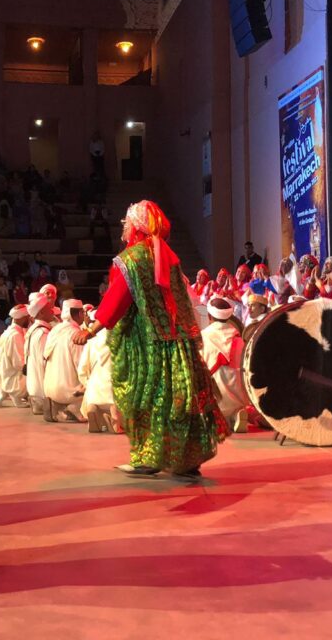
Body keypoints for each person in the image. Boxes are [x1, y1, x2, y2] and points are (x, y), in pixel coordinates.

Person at [74, 200, 229, 478]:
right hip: (178, 344)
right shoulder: (168, 256)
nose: (124, 228)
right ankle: (186, 460)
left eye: (127, 223)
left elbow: (117, 298)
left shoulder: (132, 258)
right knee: (179, 401)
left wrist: (91, 329)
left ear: (137, 226)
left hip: (148, 346)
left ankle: (149, 458)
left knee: (147, 399)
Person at [201, 298, 248, 433]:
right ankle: (237, 413)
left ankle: (221, 417)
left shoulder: (204, 335)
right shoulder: (238, 337)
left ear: (209, 316)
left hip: (218, 393)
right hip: (239, 393)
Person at [42, 298, 87, 422]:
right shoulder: (76, 334)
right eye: (83, 313)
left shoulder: (54, 331)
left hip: (48, 389)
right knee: (96, 386)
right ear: (79, 314)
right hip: (69, 392)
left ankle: (57, 405)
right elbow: (81, 365)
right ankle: (73, 408)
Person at [78, 308, 120, 433]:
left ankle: (93, 408)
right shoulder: (122, 339)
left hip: (94, 391)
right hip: (113, 392)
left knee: (92, 400)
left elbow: (82, 369)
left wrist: (87, 385)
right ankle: (115, 421)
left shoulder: (91, 341)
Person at [0, 304, 31, 407]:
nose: (29, 320)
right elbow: (18, 362)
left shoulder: (7, 332)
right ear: (21, 318)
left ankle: (3, 396)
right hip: (13, 374)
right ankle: (16, 396)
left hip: (4, 372)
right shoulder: (15, 335)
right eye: (27, 317)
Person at [25, 292, 55, 415]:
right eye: (49, 308)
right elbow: (45, 363)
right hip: (42, 393)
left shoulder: (33, 330)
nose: (52, 310)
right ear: (41, 313)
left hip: (35, 389)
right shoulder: (43, 333)